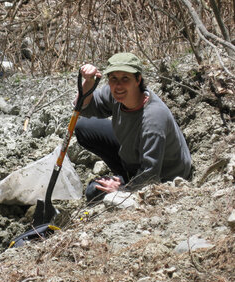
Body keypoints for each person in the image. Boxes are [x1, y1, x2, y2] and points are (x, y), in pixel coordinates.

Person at [74, 52, 192, 202]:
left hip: (164, 175)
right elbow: (83, 106)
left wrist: (122, 189)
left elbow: (150, 175)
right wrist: (88, 82)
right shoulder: (116, 94)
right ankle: (124, 173)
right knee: (84, 127)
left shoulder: (153, 119)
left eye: (125, 78)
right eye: (113, 78)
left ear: (138, 80)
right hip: (135, 155)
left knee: (93, 192)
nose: (118, 85)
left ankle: (125, 177)